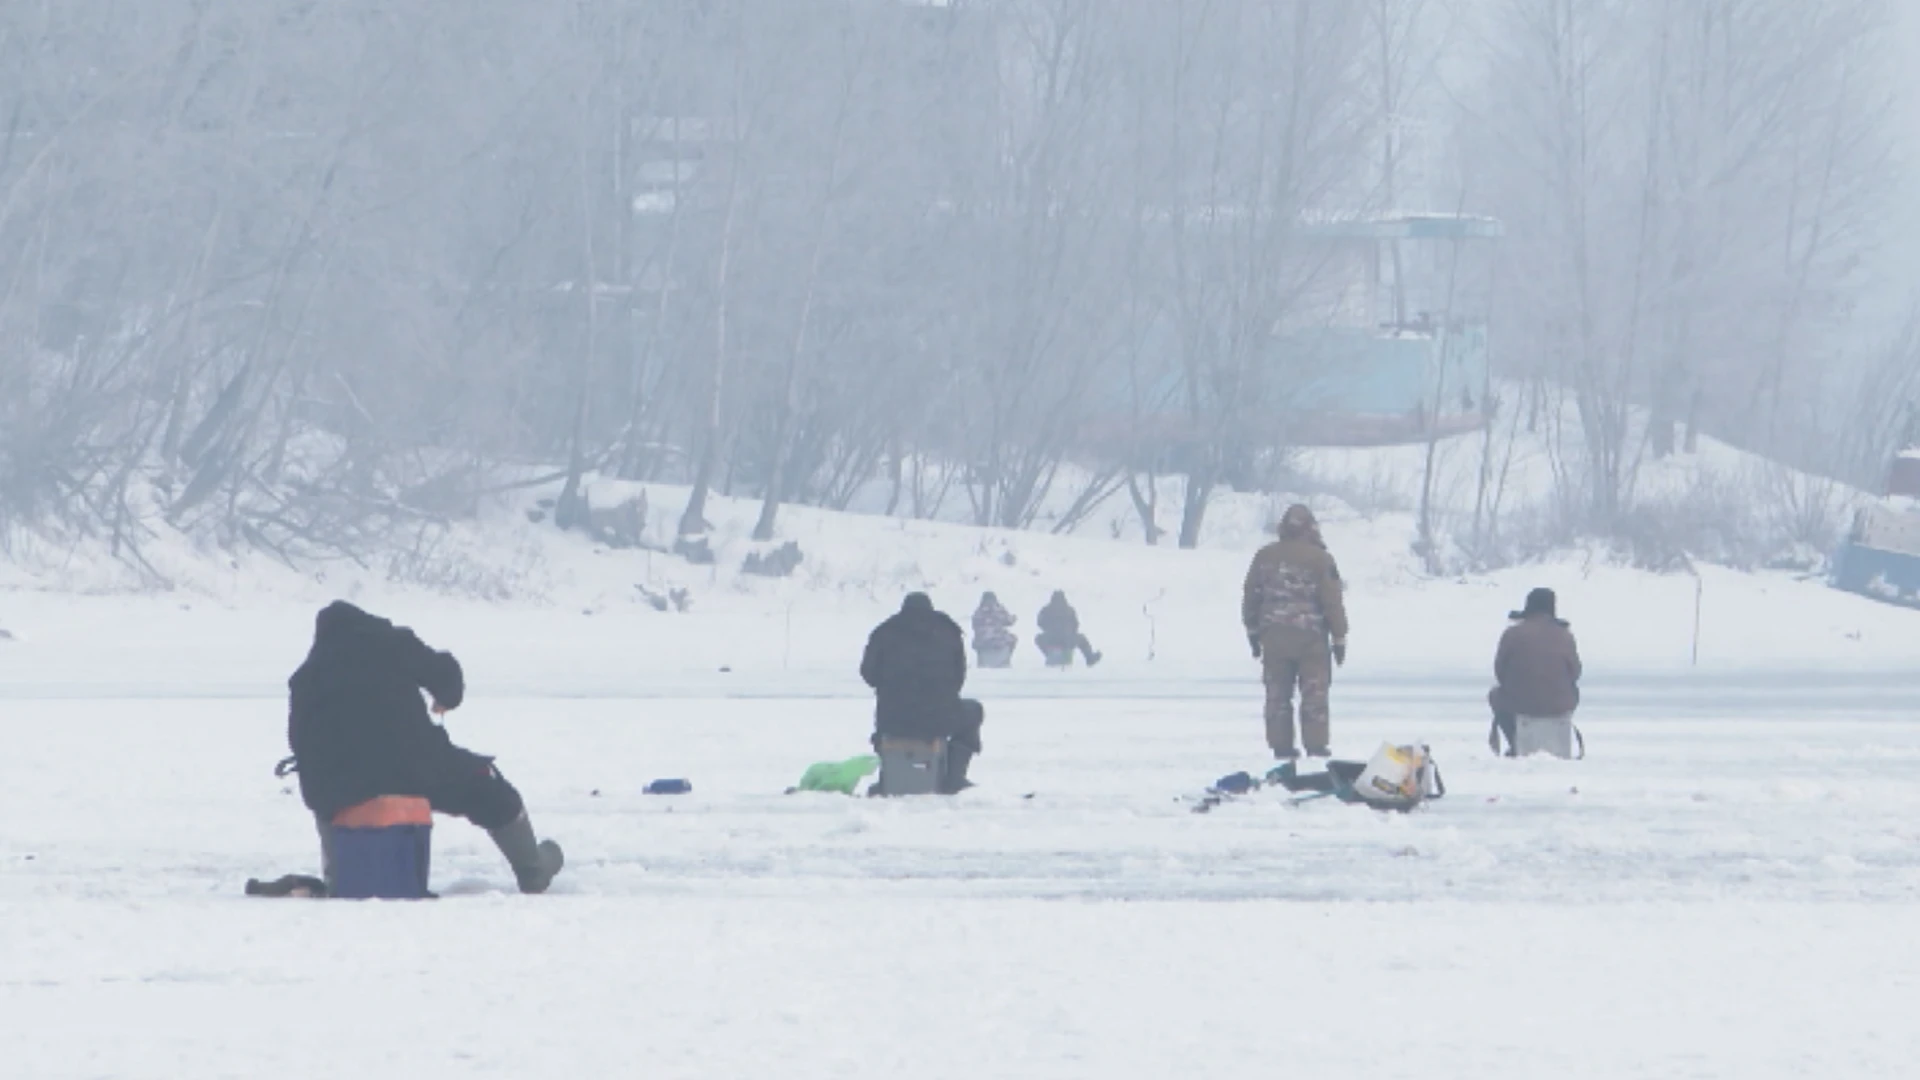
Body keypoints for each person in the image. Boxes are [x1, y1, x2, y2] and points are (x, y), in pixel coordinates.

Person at [287, 601, 564, 894]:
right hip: (414, 769)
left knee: (330, 798)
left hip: (335, 788)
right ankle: (532, 868)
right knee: (487, 784)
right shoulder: (390, 642)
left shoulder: (304, 677)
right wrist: (445, 698)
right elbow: (447, 676)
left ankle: (341, 879)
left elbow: (299, 741)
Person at [1241, 504, 1348, 759]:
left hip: (1274, 637)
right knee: (1314, 696)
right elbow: (1331, 600)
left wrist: (1253, 633)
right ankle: (1316, 747)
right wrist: (1339, 636)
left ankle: (1281, 748)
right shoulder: (1320, 559)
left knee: (1277, 695)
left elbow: (1251, 596)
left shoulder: (1264, 557)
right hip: (1311, 640)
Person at [860, 593, 983, 794]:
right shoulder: (948, 631)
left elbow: (868, 674)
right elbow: (959, 676)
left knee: (884, 728)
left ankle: (888, 778)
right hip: (941, 716)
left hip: (893, 718)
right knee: (973, 712)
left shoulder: (885, 632)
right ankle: (954, 777)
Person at [1488, 588, 1581, 756]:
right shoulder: (1565, 635)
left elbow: (1500, 672)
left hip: (1519, 705)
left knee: (1495, 695)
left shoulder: (1512, 634)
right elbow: (1575, 673)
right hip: (1558, 706)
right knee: (1574, 691)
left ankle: (1515, 743)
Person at [1035, 590, 1101, 667]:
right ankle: (1090, 658)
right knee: (1082, 638)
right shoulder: (1069, 610)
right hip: (1068, 641)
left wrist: (1048, 630)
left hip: (1051, 640)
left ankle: (1051, 655)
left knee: (1038, 638)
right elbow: (1076, 625)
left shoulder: (1045, 610)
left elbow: (1040, 623)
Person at [970, 591, 1018, 667]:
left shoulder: (978, 611)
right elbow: (1008, 621)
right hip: (998, 638)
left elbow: (974, 626)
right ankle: (1005, 661)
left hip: (981, 640)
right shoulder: (998, 609)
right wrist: (1013, 618)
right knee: (1013, 638)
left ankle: (981, 662)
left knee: (977, 641)